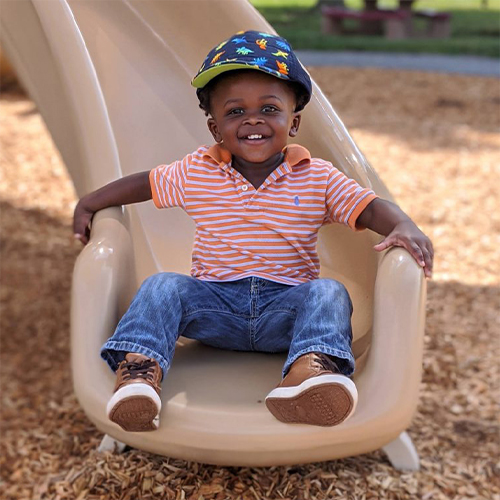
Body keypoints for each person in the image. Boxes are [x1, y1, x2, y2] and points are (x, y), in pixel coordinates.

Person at [73, 31, 433, 433]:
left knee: (329, 293)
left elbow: (369, 207)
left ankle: (309, 372)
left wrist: (403, 224)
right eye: (235, 112)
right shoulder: (198, 172)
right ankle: (139, 376)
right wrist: (92, 200)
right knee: (163, 287)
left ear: (293, 122)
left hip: (286, 313)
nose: (253, 120)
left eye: (269, 108)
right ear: (215, 128)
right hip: (214, 308)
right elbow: (145, 183)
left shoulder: (317, 177)